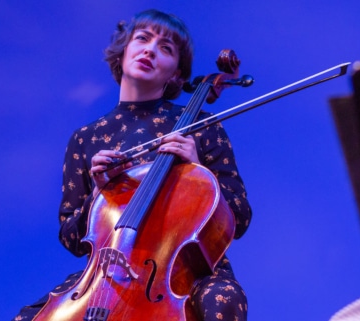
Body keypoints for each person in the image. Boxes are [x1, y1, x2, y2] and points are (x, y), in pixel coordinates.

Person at [13, 9, 252, 320]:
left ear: (176, 75)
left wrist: (197, 169)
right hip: (105, 276)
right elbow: (71, 237)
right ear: (124, 52)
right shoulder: (86, 138)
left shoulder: (201, 126)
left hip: (187, 272)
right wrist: (99, 193)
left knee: (222, 301)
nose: (150, 49)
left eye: (166, 48)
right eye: (142, 39)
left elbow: (240, 216)